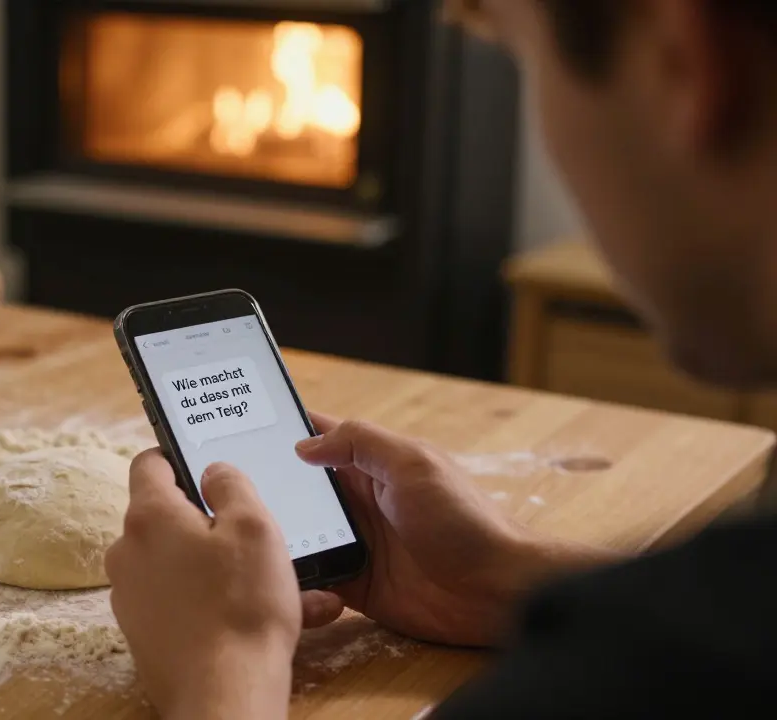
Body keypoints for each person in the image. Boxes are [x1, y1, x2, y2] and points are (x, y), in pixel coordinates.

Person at [104, 0, 777, 716]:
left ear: (687, 58)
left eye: (525, 62)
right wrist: (501, 575)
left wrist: (223, 668)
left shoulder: (623, 681)